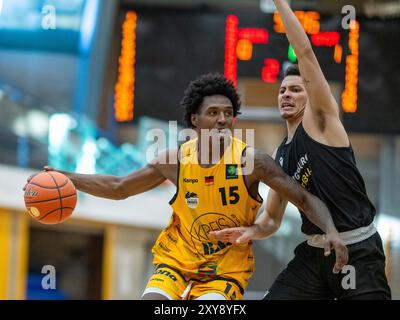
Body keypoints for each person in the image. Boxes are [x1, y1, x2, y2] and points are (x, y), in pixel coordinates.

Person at [25, 73, 347, 300]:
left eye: (228, 113)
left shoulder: (253, 161)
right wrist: (70, 178)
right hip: (176, 261)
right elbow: (120, 187)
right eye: (213, 113)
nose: (222, 119)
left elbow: (304, 197)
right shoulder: (175, 161)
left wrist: (331, 229)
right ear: (195, 120)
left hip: (225, 270)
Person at [211, 0, 391, 300]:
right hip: (313, 254)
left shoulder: (321, 121)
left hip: (357, 248)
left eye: (295, 89)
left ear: (311, 96)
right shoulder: (280, 155)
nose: (286, 94)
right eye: (282, 90)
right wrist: (251, 231)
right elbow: (272, 218)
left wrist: (279, 2)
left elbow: (305, 51)